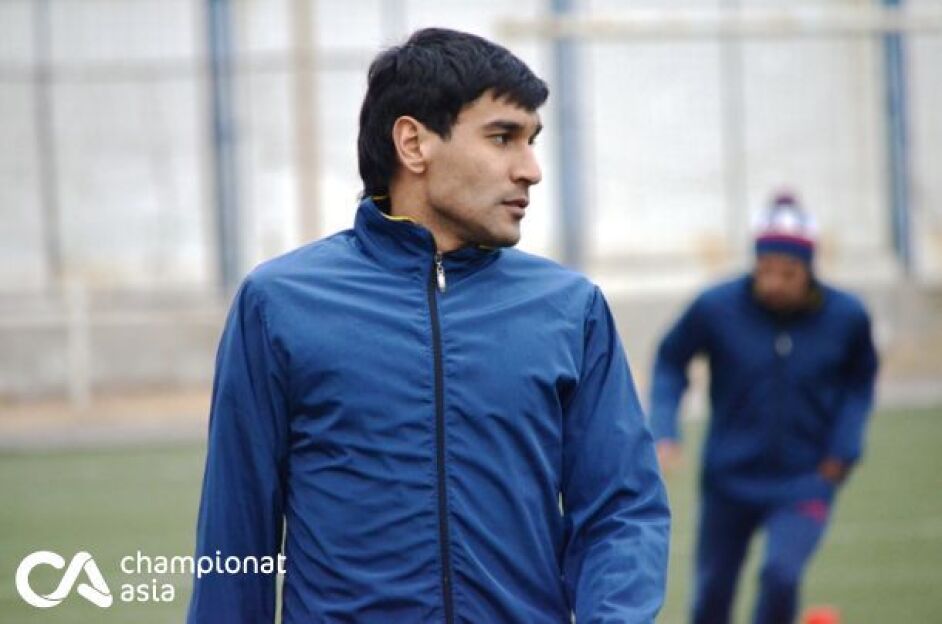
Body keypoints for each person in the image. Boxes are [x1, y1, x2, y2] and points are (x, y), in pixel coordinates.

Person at [187, 27, 669, 623]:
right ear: (413, 144)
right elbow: (236, 536)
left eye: (532, 141)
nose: (531, 170)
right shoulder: (278, 305)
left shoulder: (572, 309)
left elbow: (622, 512)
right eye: (503, 138)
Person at [649, 192, 879, 624]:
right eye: (765, 269)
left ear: (809, 268)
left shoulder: (847, 317)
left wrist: (845, 447)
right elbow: (670, 360)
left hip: (806, 479)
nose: (773, 282)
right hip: (728, 478)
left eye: (787, 272)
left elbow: (859, 382)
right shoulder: (715, 307)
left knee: (781, 576)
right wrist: (664, 429)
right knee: (711, 594)